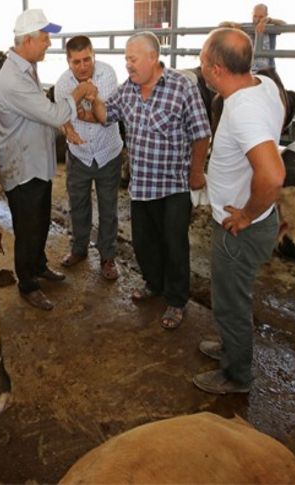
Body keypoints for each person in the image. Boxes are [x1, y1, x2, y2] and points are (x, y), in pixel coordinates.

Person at [85, 31, 210, 329]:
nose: (127, 65)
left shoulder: (181, 87)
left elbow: (201, 132)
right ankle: (154, 284)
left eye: (132, 58)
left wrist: (196, 171)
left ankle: (177, 301)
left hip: (173, 186)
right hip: (141, 186)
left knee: (174, 245)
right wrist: (93, 97)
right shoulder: (127, 90)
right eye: (126, 59)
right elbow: (106, 114)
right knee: (145, 243)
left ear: (153, 57)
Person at [194, 28, 285, 394]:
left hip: (240, 227)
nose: (199, 67)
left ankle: (237, 376)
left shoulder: (243, 109)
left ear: (216, 69)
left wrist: (246, 214)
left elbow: (274, 174)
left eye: (202, 61)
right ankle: (230, 347)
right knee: (230, 295)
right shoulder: (263, 84)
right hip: (248, 220)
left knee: (231, 302)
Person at [0, 8, 95, 311]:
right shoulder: (13, 78)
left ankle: (38, 265)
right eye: (45, 37)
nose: (49, 43)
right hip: (22, 167)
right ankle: (27, 283)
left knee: (38, 221)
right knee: (26, 227)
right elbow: (54, 113)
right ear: (27, 40)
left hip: (35, 161)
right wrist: (78, 93)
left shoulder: (26, 66)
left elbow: (42, 111)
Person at [54, 36, 123, 281]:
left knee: (108, 207)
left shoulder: (107, 75)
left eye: (87, 59)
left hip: (108, 153)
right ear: (68, 61)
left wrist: (77, 111)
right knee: (78, 204)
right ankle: (79, 249)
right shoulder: (62, 84)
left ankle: (107, 256)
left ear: (93, 54)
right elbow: (60, 116)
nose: (83, 66)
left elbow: (103, 117)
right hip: (79, 155)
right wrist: (67, 128)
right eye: (76, 62)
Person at [250, 3, 286, 72]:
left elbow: (284, 24)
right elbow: (223, 25)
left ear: (266, 15)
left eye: (261, 17)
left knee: (278, 83)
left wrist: (269, 20)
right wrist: (232, 24)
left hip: (268, 69)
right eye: (255, 16)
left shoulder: (271, 27)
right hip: (250, 70)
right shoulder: (247, 27)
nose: (257, 19)